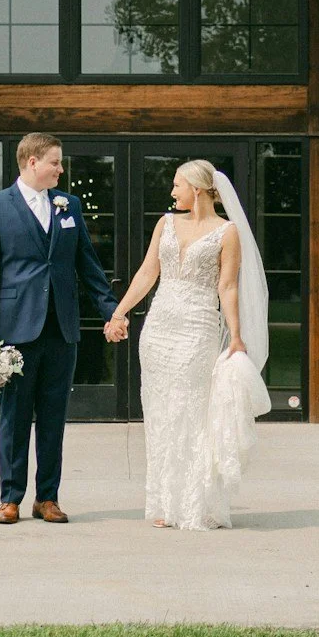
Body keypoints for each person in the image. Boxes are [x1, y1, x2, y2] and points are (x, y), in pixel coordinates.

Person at [0, 132, 123, 525]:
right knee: (15, 416)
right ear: (32, 162)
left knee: (53, 416)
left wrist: (111, 311)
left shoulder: (69, 206)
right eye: (55, 161)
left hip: (61, 327)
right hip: (16, 328)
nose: (61, 168)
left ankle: (46, 498)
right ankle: (10, 498)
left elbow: (87, 264)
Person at [104, 158, 271, 529]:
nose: (172, 192)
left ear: (196, 189)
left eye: (177, 185)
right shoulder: (166, 223)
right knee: (161, 415)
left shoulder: (226, 232)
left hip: (197, 330)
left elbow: (227, 287)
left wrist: (237, 336)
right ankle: (164, 503)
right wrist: (120, 312)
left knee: (191, 415)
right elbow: (148, 271)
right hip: (159, 330)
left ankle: (194, 503)